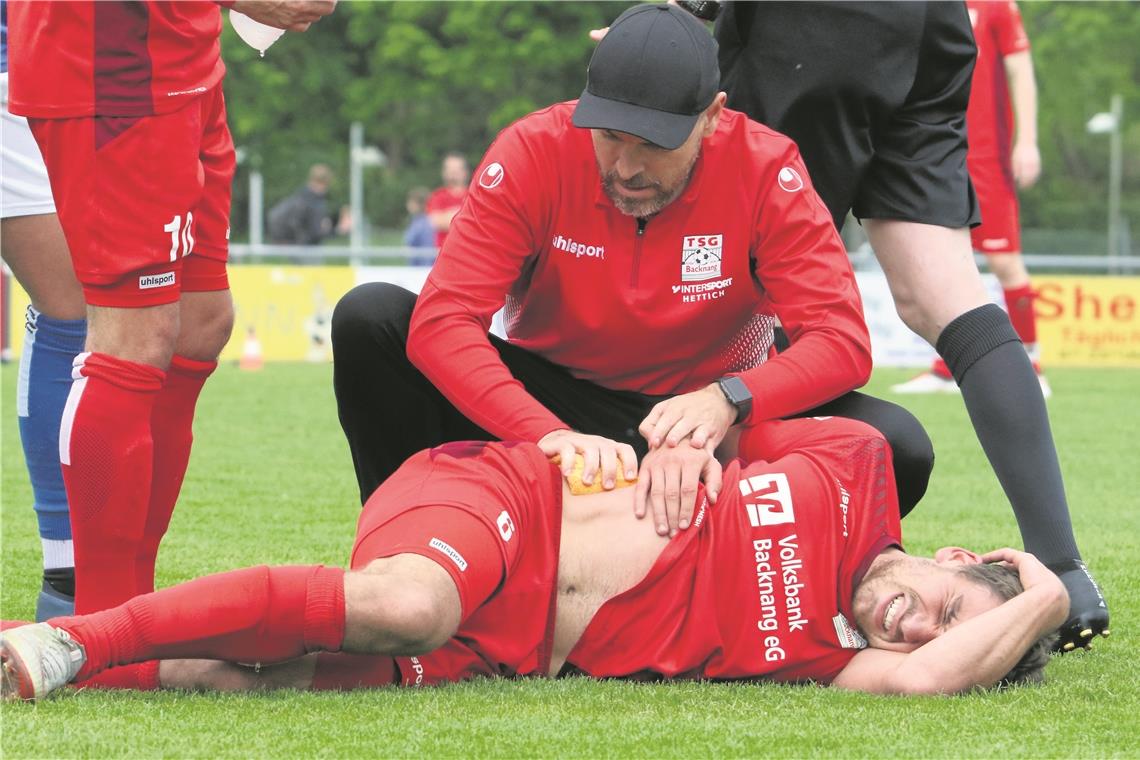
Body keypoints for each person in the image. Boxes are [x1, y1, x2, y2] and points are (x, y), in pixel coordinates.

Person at [332, 4, 934, 544]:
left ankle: (737, 565)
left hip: (706, 417)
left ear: (712, 116)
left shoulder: (765, 166)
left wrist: (728, 401)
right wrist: (548, 434)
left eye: (655, 143)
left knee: (896, 447)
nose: (626, 166)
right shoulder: (534, 151)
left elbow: (842, 341)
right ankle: (406, 554)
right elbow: (443, 322)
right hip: (556, 400)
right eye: (611, 136)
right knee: (370, 319)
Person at [0, 416, 1065, 701]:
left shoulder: (842, 660)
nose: (918, 626)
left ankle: (35, 661)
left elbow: (928, 678)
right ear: (955, 551)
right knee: (408, 600)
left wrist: (1052, 592)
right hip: (507, 501)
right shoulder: (857, 462)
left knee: (251, 677)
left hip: (506, 648)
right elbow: (722, 422)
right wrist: (689, 446)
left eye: (945, 636)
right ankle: (71, 638)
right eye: (944, 600)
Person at [708, 0, 1106, 651]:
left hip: (813, 18)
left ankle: (723, 515)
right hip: (928, 19)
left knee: (740, 256)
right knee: (942, 297)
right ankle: (1061, 568)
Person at [5, 0, 336, 616]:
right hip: (107, 68)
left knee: (202, 323)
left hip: (184, 64)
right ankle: (96, 618)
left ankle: (134, 605)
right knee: (127, 331)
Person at [893, 0, 1047, 397]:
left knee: (1003, 260)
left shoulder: (997, 5)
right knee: (943, 262)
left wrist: (1027, 141)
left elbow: (1020, 69)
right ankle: (947, 368)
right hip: (935, 152)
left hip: (987, 155)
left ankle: (1032, 361)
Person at [0, 0, 85, 621]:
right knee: (71, 310)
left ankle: (70, 574)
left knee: (76, 312)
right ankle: (66, 576)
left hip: (49, 71)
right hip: (15, 76)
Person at [267, 163, 336, 246]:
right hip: (303, 247)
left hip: (287, 244)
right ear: (325, 182)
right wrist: (338, 229)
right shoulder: (314, 202)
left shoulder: (299, 196)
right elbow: (316, 232)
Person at [424, 151, 471, 249]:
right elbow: (436, 222)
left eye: (456, 170)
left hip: (469, 253)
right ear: (444, 172)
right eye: (450, 170)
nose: (453, 174)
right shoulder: (437, 196)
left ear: (465, 172)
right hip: (443, 254)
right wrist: (465, 215)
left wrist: (449, 215)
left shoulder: (474, 195)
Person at [402, 186, 437, 265]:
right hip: (415, 268)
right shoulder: (415, 221)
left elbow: (427, 251)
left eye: (411, 202)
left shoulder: (425, 224)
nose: (408, 205)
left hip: (422, 270)